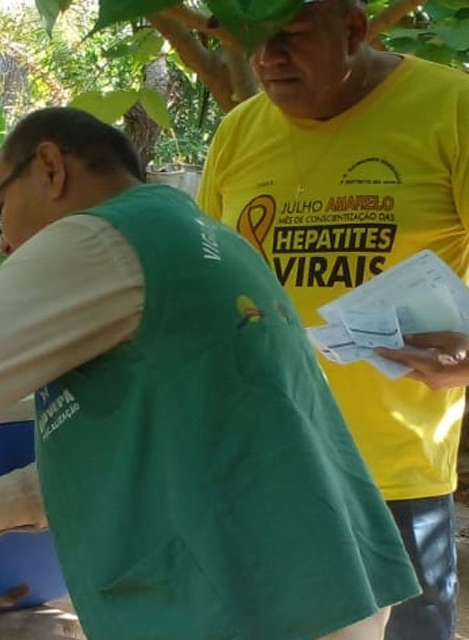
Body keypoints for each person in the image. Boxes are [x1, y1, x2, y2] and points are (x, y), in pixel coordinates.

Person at [0, 106, 421, 640]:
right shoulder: (198, 238)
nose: (5, 242)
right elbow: (160, 443)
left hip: (253, 598)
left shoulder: (101, 241)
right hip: (319, 585)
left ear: (50, 167)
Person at [195, 1, 469, 638]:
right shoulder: (238, 134)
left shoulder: (451, 110)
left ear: (352, 28)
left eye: (288, 36)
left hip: (393, 480)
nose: (268, 59)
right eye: (253, 41)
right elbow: (210, 286)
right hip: (262, 466)